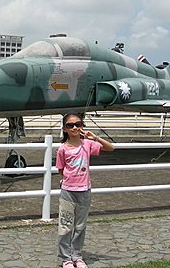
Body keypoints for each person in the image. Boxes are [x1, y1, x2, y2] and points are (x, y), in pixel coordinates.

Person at [56, 113, 115, 268]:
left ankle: (76, 255)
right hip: (68, 191)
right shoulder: (62, 149)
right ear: (65, 129)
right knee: (65, 225)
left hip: (84, 191)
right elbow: (61, 170)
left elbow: (111, 147)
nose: (75, 127)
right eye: (70, 125)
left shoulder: (87, 144)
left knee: (80, 226)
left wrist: (94, 137)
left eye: (78, 124)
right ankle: (65, 258)